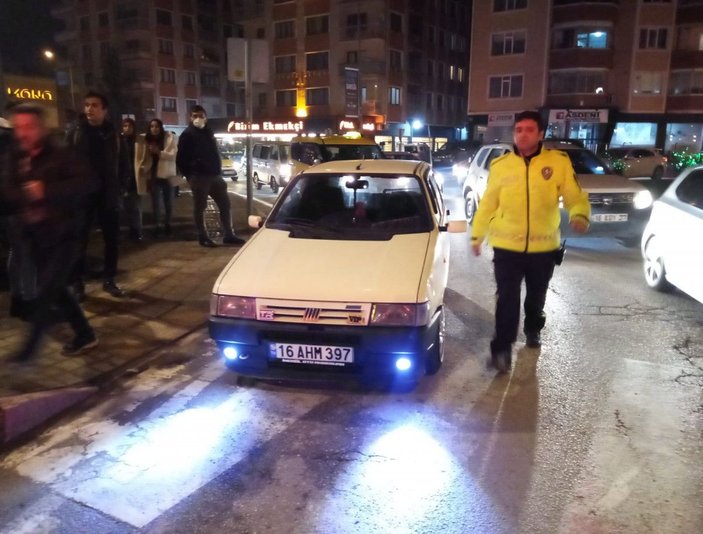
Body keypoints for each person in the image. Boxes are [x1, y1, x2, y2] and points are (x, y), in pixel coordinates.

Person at [470, 110, 591, 373]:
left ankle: (533, 328)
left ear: (540, 134)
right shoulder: (501, 165)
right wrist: (477, 235)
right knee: (507, 298)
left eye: (528, 129)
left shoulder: (558, 162)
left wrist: (579, 214)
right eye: (518, 129)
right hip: (507, 246)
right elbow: (488, 203)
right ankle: (501, 350)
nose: (522, 134)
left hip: (543, 246)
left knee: (536, 296)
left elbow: (574, 195)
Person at [3, 103, 98, 360]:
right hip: (35, 235)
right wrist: (25, 196)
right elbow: (7, 188)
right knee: (56, 289)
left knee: (46, 290)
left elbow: (85, 183)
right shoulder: (16, 156)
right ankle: (85, 334)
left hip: (64, 235)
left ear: (42, 128)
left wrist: (46, 191)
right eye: (18, 127)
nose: (22, 133)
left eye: (29, 127)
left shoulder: (61, 154)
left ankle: (26, 354)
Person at [67, 91, 125, 298]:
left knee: (111, 239)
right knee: (79, 240)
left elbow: (123, 162)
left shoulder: (112, 133)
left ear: (104, 110)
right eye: (87, 105)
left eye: (94, 105)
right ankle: (77, 282)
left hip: (107, 195)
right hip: (83, 195)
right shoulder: (76, 132)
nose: (89, 109)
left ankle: (109, 279)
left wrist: (121, 188)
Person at [176, 105, 245, 247]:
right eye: (195, 116)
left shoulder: (208, 132)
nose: (198, 119)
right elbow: (181, 159)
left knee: (225, 204)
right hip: (199, 176)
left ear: (206, 118)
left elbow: (213, 152)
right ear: (190, 118)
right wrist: (191, 175)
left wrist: (217, 170)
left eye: (201, 116)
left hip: (214, 175)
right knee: (200, 207)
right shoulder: (187, 135)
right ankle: (203, 236)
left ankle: (229, 234)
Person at [137, 118, 178, 237]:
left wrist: (158, 152)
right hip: (153, 176)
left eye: (157, 126)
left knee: (168, 202)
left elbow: (173, 156)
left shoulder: (169, 138)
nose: (154, 129)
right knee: (156, 203)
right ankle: (158, 225)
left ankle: (168, 224)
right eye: (152, 126)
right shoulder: (146, 139)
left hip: (167, 174)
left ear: (161, 127)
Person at [119, 117, 144, 242]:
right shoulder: (119, 141)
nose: (127, 128)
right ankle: (131, 230)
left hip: (135, 177)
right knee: (126, 206)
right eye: (125, 126)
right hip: (123, 178)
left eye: (129, 126)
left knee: (135, 207)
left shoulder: (138, 141)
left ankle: (137, 231)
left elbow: (143, 158)